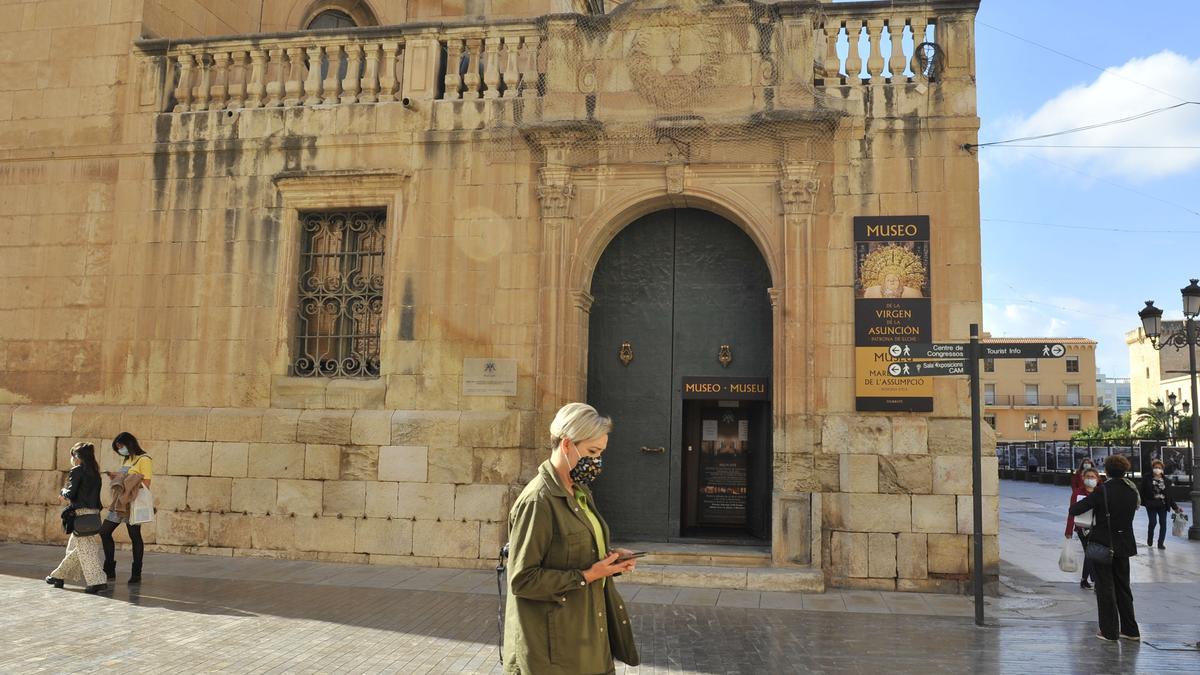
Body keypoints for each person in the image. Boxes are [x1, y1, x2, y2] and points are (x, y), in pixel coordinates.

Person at [503, 403, 640, 675]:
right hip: (554, 653)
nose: (597, 461)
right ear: (567, 444)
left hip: (589, 640)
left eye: (601, 453)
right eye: (592, 452)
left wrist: (609, 558)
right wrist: (588, 574)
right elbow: (522, 580)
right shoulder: (538, 501)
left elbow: (573, 548)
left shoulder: (580, 491)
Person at [1070, 455, 1141, 642]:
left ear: (1106, 471)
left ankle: (1109, 631)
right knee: (1123, 587)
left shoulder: (1103, 491)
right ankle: (1130, 630)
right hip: (1124, 544)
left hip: (1104, 543)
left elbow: (1075, 509)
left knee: (1105, 588)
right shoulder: (1132, 490)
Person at [46, 443, 107, 594]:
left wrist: (63, 491)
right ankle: (58, 576)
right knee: (74, 548)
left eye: (73, 455)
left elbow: (71, 493)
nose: (72, 459)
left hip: (81, 514)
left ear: (78, 457)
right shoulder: (95, 472)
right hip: (93, 513)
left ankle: (97, 581)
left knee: (86, 549)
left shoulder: (77, 471)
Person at [100, 431, 152, 584]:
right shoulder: (127, 459)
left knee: (135, 536)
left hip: (133, 503)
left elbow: (146, 483)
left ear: (129, 444)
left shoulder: (144, 459)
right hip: (120, 502)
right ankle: (109, 569)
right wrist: (117, 476)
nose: (120, 449)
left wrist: (123, 480)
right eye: (118, 447)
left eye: (121, 446)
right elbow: (128, 477)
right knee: (105, 532)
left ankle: (136, 572)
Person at [1066, 467, 1102, 589]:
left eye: (1093, 477)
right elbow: (1072, 512)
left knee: (1090, 554)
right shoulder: (1077, 493)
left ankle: (1084, 579)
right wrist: (1069, 530)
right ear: (1083, 478)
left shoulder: (1100, 492)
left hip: (1097, 527)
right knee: (1091, 553)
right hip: (1082, 528)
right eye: (1088, 477)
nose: (1090, 479)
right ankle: (1096, 581)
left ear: (1097, 479)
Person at [1140, 459, 1183, 550]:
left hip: (1163, 505)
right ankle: (1150, 538)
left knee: (1163, 523)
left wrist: (1175, 508)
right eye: (1156, 467)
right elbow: (1141, 491)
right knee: (1153, 522)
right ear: (1152, 468)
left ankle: (1160, 543)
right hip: (1151, 504)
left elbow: (1169, 496)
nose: (1157, 469)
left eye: (1159, 468)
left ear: (1162, 469)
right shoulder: (1147, 478)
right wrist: (1145, 502)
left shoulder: (1166, 480)